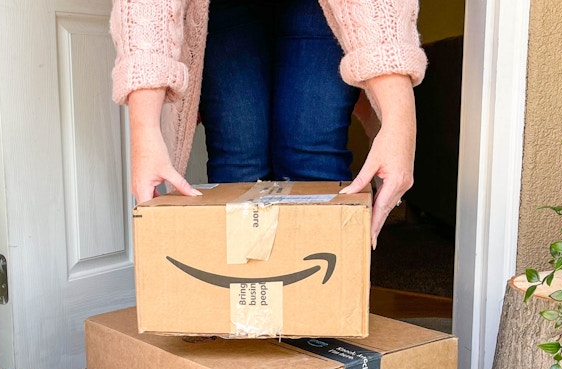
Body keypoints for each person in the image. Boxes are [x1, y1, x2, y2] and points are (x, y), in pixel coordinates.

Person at [110, 0, 427, 248]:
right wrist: (145, 129)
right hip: (224, 9)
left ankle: (322, 314)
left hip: (319, 7)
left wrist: (401, 121)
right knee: (239, 168)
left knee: (311, 161)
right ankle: (247, 317)